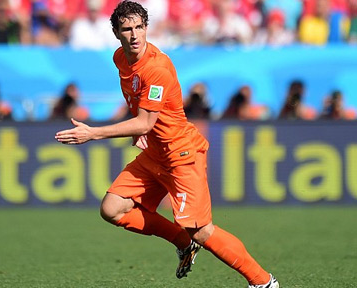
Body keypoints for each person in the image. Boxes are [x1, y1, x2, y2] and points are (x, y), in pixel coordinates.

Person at [55, 1, 279, 287]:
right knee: (112, 208)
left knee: (202, 230)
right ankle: (181, 240)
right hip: (154, 154)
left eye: (139, 27)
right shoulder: (120, 59)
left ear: (147, 27)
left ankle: (263, 281)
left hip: (181, 154)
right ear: (116, 33)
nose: (134, 35)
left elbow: (145, 122)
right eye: (127, 29)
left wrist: (93, 133)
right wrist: (142, 131)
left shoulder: (157, 68)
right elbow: (141, 110)